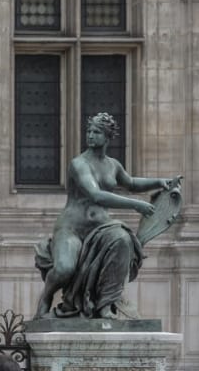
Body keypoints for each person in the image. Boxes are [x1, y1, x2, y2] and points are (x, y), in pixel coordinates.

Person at [34, 112, 181, 320]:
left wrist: (159, 182)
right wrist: (136, 205)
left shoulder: (113, 165)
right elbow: (96, 195)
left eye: (96, 132)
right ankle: (46, 299)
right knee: (65, 269)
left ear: (108, 137)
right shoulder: (79, 164)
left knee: (122, 240)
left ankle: (105, 304)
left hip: (101, 227)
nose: (90, 135)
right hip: (72, 228)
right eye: (89, 131)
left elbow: (130, 183)